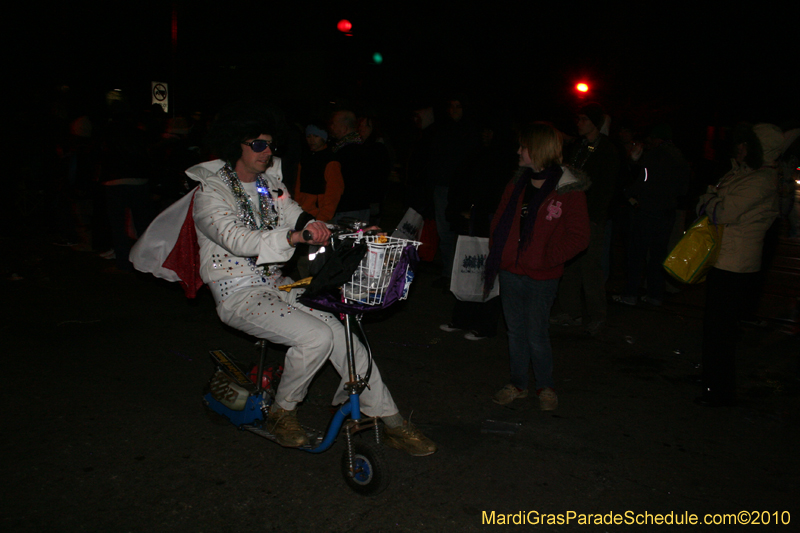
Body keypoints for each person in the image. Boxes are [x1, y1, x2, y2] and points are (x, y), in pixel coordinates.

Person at [187, 102, 436, 455]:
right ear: (235, 145)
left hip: (275, 285)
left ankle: (391, 419)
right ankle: (282, 412)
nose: (267, 151)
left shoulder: (268, 186)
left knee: (343, 334)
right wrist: (294, 238)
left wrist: (353, 231)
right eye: (257, 144)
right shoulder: (210, 193)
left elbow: (299, 216)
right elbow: (237, 239)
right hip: (237, 293)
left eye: (270, 145)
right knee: (316, 337)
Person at [485, 123, 590, 410]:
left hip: (542, 276)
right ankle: (518, 383)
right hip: (511, 271)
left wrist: (545, 257)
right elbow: (499, 221)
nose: (518, 152)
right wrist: (501, 253)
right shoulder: (517, 183)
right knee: (515, 332)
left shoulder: (568, 189)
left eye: (524, 147)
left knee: (536, 333)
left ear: (540, 150)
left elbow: (579, 237)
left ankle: (545, 386)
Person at [694, 123, 782, 407]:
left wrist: (710, 199)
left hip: (736, 264)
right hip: (725, 257)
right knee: (715, 328)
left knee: (721, 332)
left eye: (746, 144)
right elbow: (708, 204)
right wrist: (711, 200)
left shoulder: (760, 180)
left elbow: (721, 212)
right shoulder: (741, 173)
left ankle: (720, 391)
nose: (739, 149)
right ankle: (712, 383)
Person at [550, 103, 619, 335]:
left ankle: (598, 315)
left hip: (591, 216)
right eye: (577, 119)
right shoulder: (579, 146)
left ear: (594, 123)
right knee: (569, 264)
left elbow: (606, 187)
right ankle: (571, 311)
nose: (578, 123)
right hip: (572, 213)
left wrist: (596, 217)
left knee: (591, 267)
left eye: (583, 119)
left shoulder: (606, 149)